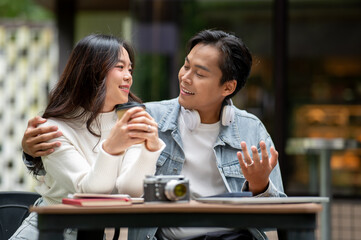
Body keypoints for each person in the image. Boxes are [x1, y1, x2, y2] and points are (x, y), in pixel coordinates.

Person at [21, 29, 286, 240]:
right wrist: (30, 151)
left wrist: (260, 187)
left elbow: (282, 214)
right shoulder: (148, 117)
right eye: (186, 66)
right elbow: (87, 140)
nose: (185, 77)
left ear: (227, 87)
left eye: (200, 73)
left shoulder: (251, 129)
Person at [11, 34, 165, 240]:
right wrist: (112, 148)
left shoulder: (128, 119)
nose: (129, 76)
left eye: (130, 69)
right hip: (54, 231)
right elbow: (90, 193)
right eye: (119, 67)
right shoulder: (52, 128)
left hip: (108, 233)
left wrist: (149, 150)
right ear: (92, 71)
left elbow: (132, 190)